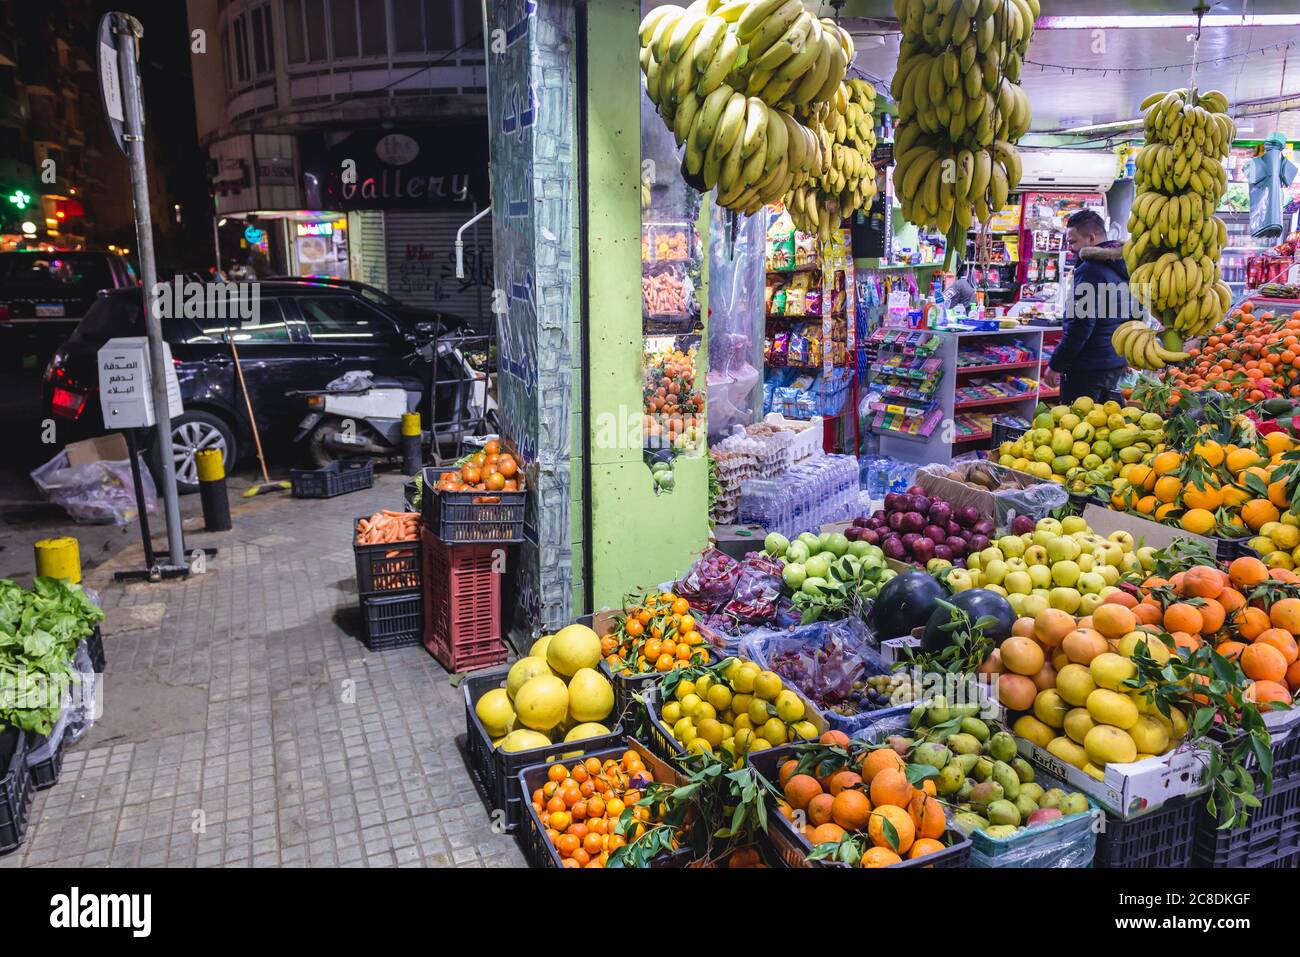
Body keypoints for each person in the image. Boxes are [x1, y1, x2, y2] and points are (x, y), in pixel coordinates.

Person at [1046, 208, 1131, 403]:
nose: (1071, 249)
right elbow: (1136, 314)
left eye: (1073, 242)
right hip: (1114, 363)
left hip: (1087, 369)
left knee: (1076, 426)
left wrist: (1056, 364)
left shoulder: (1090, 269)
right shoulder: (1125, 266)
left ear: (1091, 238)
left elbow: (1080, 325)